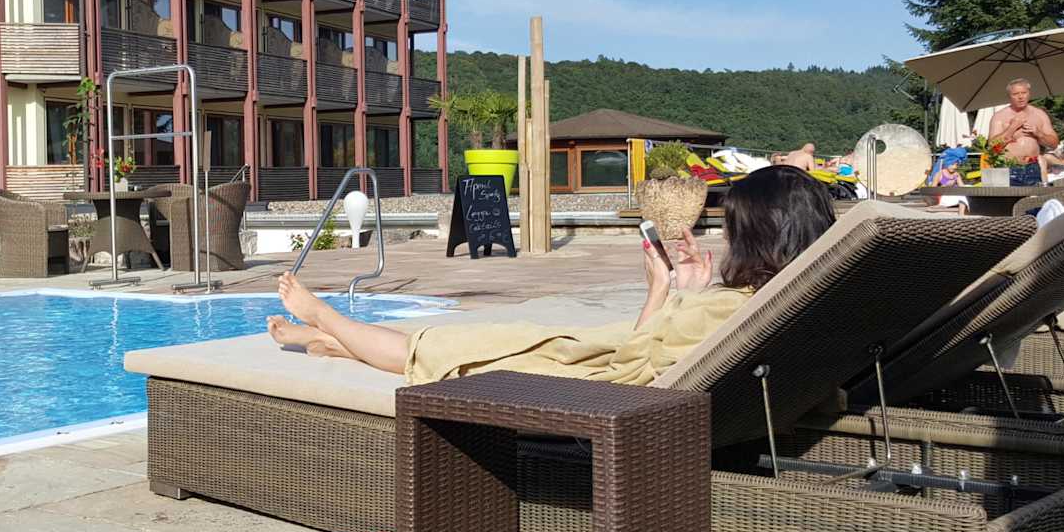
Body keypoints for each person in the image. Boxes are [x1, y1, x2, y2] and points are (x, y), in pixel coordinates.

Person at [267, 166, 838, 385]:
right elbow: (657, 354)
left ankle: (325, 318)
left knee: (441, 344)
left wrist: (665, 290)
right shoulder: (798, 303)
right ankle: (335, 342)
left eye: (732, 228)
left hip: (593, 386)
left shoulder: (729, 308)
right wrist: (680, 295)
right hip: (609, 363)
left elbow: (632, 372)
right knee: (485, 337)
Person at [986, 78, 1058, 165]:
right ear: (1009, 96)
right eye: (1015, 94)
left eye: (1024, 93)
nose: (1020, 97)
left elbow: (1054, 144)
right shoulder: (999, 117)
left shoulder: (1040, 114)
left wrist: (1039, 134)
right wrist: (1012, 128)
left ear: (1029, 93)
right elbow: (991, 148)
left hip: (1034, 165)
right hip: (1008, 167)